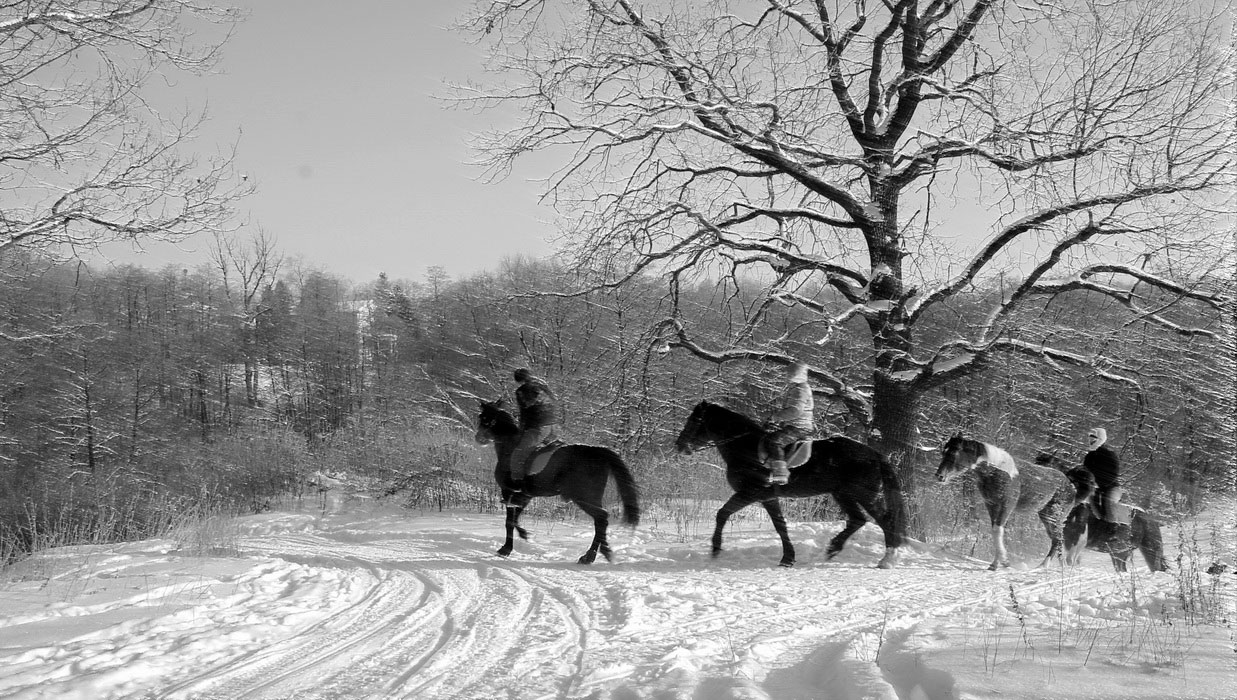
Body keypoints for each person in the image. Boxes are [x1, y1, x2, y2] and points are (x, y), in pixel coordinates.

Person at [508, 368, 561, 495]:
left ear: (518, 380)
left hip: (537, 426)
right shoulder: (542, 386)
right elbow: (553, 402)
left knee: (518, 454)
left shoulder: (522, 391)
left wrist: (521, 428)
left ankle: (518, 487)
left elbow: (525, 412)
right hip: (553, 426)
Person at [762, 361, 815, 486]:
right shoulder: (798, 388)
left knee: (774, 441)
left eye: (789, 373)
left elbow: (795, 411)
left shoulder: (800, 389)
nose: (787, 375)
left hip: (799, 428)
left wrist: (776, 417)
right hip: (795, 425)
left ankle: (780, 474)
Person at [1082, 427, 1122, 522]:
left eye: (1093, 437)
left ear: (1100, 438)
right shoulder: (1089, 456)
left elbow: (1114, 472)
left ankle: (1112, 529)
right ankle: (1099, 527)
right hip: (1097, 488)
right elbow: (1086, 471)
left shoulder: (1109, 454)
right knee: (1094, 506)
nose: (1090, 439)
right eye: (1090, 437)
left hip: (1112, 487)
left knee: (1109, 504)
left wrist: (1099, 483)